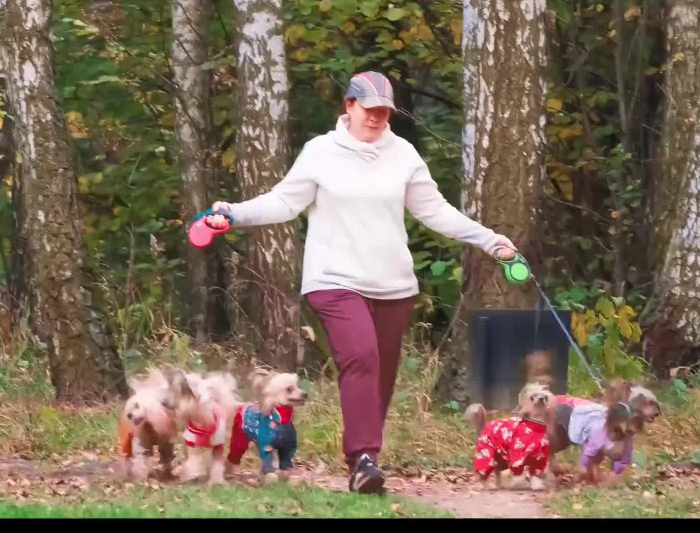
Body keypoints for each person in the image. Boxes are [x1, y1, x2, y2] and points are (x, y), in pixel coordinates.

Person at [203, 70, 517, 494]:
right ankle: (363, 458)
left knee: (382, 376)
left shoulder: (403, 154)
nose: (376, 118)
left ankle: (365, 459)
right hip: (333, 278)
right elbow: (283, 201)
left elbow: (435, 211)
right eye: (369, 110)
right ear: (349, 106)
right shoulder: (321, 152)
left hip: (393, 283)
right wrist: (233, 212)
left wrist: (488, 240)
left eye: (384, 112)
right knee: (362, 358)